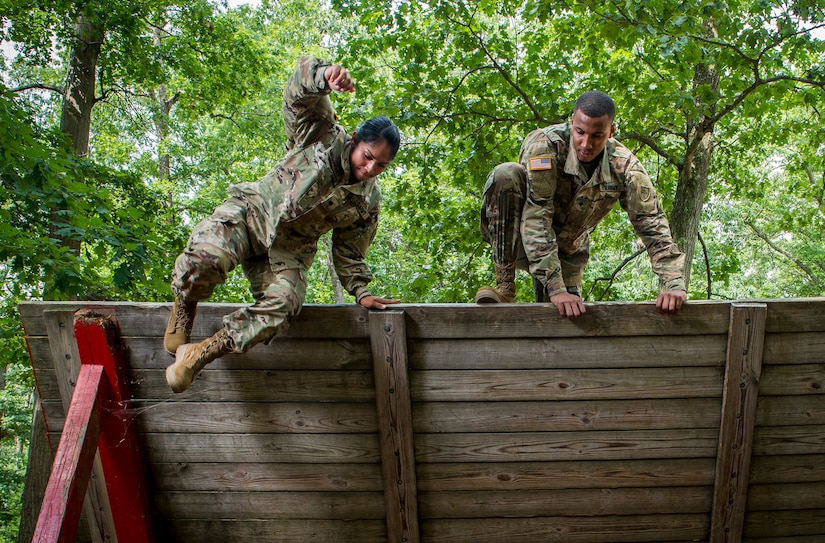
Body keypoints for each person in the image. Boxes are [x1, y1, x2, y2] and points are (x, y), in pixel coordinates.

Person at [163, 55, 401, 393]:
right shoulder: (321, 132)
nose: (370, 169)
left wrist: (361, 291)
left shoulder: (366, 200)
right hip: (254, 214)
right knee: (206, 259)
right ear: (358, 138)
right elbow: (297, 94)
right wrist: (324, 76)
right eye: (368, 157)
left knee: (285, 305)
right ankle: (184, 307)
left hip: (289, 251)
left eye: (381, 166)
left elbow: (349, 250)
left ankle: (199, 354)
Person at [475, 90, 687, 317]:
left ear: (611, 132)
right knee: (505, 175)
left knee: (567, 322)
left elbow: (652, 223)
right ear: (572, 122)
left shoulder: (625, 166)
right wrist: (555, 287)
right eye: (580, 132)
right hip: (520, 235)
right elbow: (537, 216)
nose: (586, 143)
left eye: (597, 135)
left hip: (568, 250)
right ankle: (505, 287)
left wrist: (673, 281)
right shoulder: (544, 145)